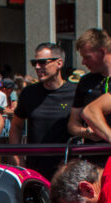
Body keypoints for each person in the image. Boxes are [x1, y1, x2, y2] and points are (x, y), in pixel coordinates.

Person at [9, 43, 76, 178]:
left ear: (59, 63)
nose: (37, 67)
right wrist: (16, 155)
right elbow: (16, 125)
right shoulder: (29, 93)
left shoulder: (75, 92)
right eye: (35, 63)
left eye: (43, 63)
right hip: (36, 171)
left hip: (67, 171)